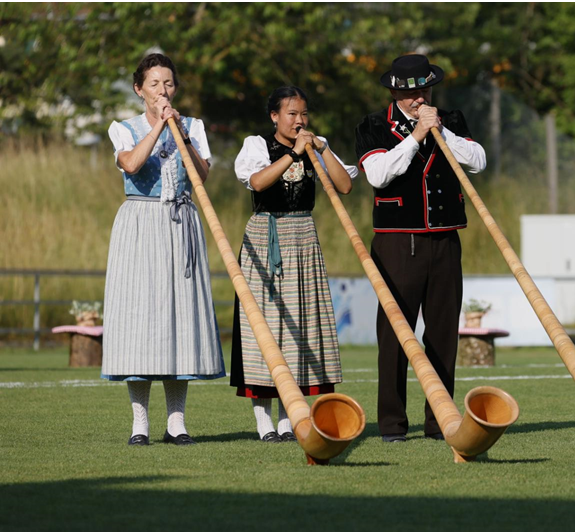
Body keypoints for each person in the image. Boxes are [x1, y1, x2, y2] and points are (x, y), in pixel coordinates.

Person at [354, 54, 486, 442]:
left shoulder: (452, 120)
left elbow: (478, 161)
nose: (419, 99)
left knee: (444, 335)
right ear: (394, 92)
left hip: (446, 239)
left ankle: (439, 421)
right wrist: (414, 137)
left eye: (425, 90)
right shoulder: (373, 125)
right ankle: (393, 424)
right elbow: (378, 175)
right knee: (396, 336)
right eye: (411, 93)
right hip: (398, 242)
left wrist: (441, 133)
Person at [102, 53, 225, 446]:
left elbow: (202, 175)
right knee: (139, 320)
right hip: (140, 223)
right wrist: (158, 127)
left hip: (180, 222)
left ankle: (177, 423)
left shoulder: (193, 126)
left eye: (168, 84)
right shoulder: (123, 128)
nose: (162, 91)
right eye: (154, 85)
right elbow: (133, 165)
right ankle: (140, 423)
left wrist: (180, 131)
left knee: (178, 318)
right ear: (139, 89)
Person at [231, 86, 358, 443]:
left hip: (303, 237)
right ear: (274, 116)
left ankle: (290, 420)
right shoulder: (257, 145)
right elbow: (257, 182)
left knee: (300, 326)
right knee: (265, 328)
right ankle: (264, 422)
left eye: (304, 114)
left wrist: (322, 149)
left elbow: (345, 185)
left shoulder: (316, 144)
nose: (299, 121)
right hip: (266, 237)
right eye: (291, 114)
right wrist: (292, 154)